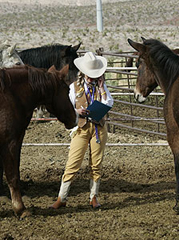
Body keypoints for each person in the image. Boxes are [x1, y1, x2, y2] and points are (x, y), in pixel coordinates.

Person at [50, 52, 113, 209]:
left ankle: (94, 196)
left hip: (98, 128)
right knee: (73, 162)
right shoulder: (74, 87)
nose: (92, 78)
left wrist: (101, 88)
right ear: (84, 72)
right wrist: (77, 112)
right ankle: (62, 197)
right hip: (81, 127)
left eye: (95, 75)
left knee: (96, 164)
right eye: (91, 75)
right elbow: (68, 106)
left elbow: (108, 102)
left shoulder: (101, 86)